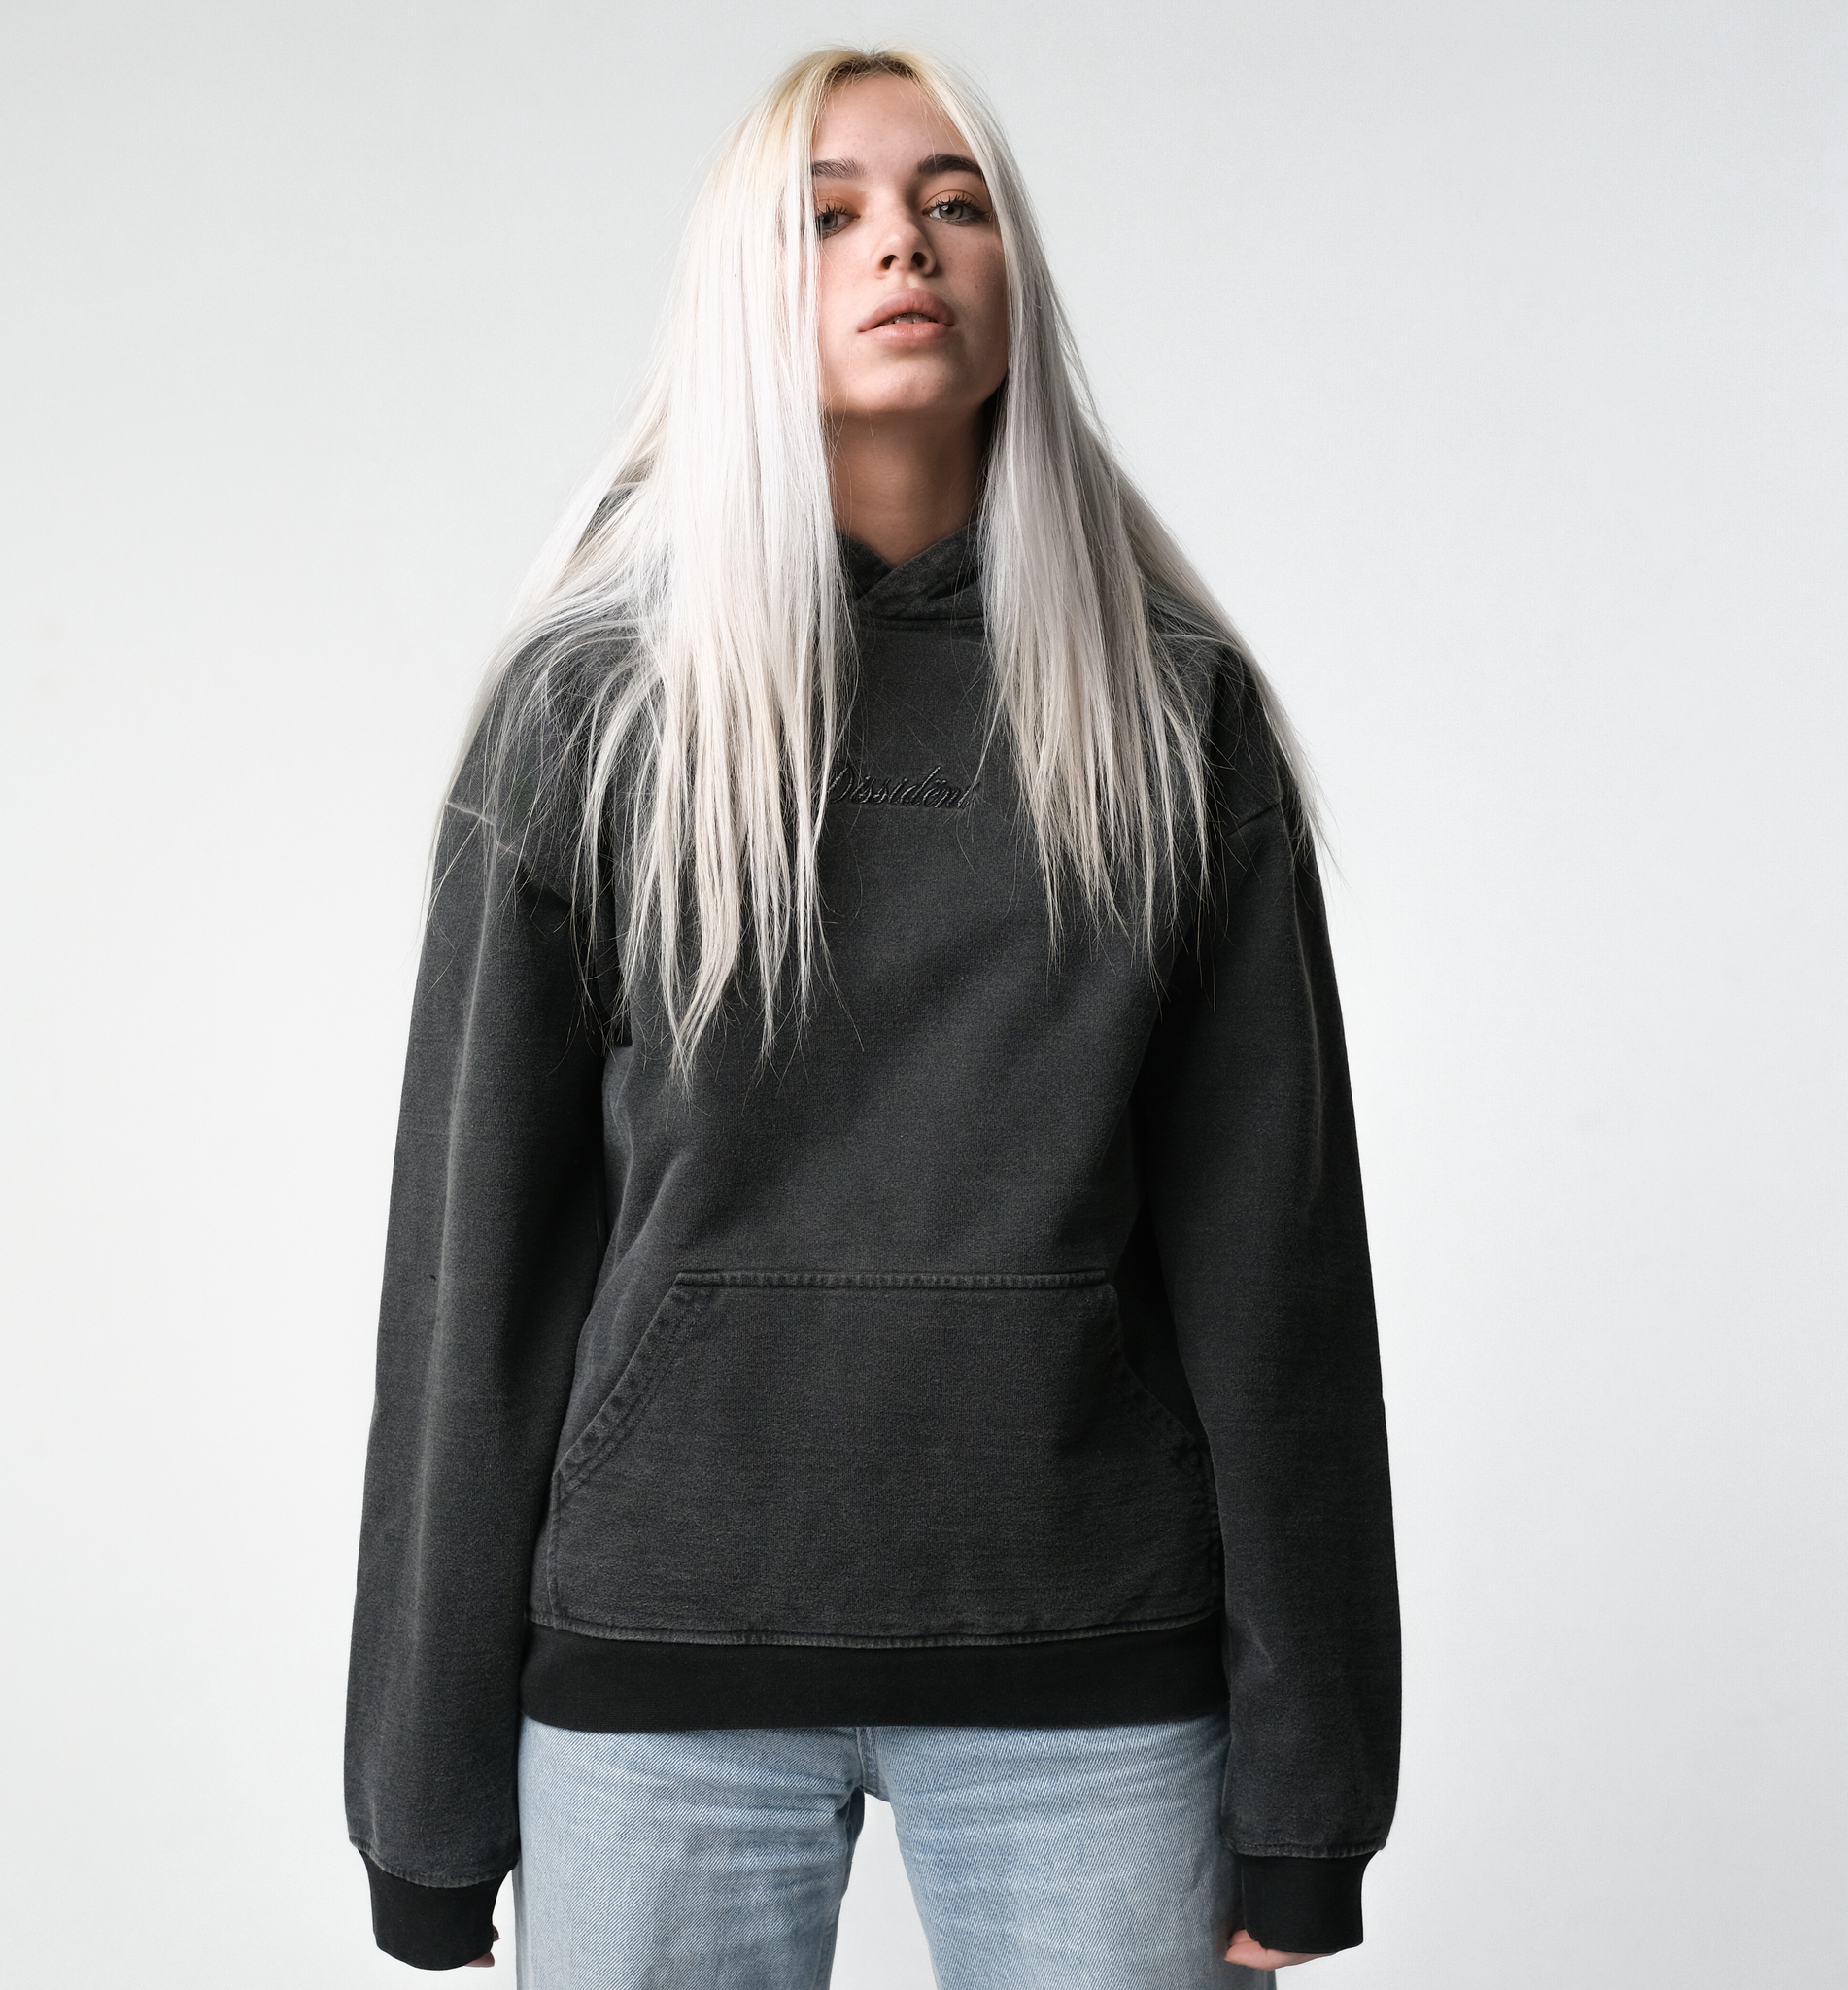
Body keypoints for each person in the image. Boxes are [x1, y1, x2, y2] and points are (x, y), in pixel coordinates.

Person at [345, 45, 1400, 1988]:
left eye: (951, 202)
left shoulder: (1172, 718)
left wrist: (1309, 1800)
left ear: (1015, 277)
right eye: (824, 215)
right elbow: (471, 1276)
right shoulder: (593, 715)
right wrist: (424, 1804)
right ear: (735, 295)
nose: (900, 245)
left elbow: (1279, 1286)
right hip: (660, 1667)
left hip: (1092, 1669)